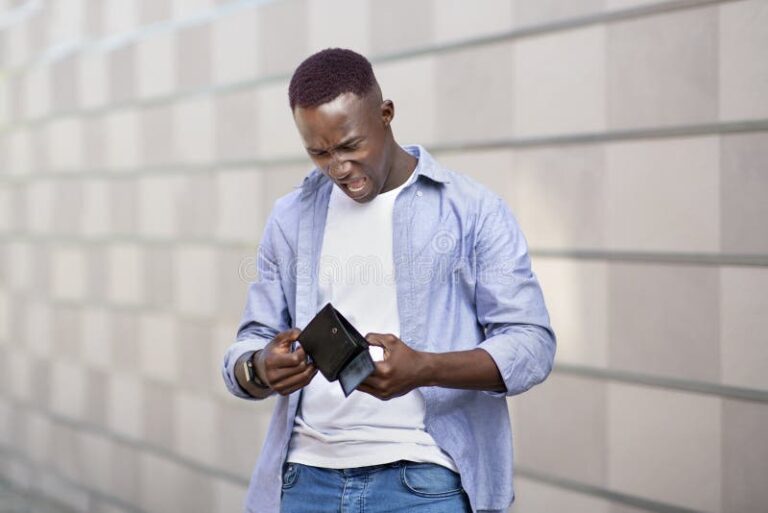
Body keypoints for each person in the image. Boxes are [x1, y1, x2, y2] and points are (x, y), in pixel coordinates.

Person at [221, 48, 556, 513]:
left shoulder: (472, 211)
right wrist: (259, 367)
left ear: (386, 114)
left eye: (350, 146)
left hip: (423, 478)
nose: (338, 168)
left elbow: (532, 344)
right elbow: (248, 346)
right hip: (303, 479)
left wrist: (427, 368)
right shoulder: (290, 217)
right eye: (319, 152)